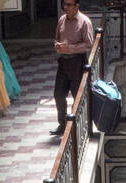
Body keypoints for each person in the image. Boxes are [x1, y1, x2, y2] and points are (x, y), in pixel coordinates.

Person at [51, 0, 94, 136]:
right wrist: (57, 45)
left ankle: (81, 126)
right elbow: (56, 38)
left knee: (78, 96)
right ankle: (62, 124)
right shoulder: (62, 20)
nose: (66, 7)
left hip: (77, 63)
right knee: (58, 94)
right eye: (64, 4)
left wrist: (71, 48)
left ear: (77, 6)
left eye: (69, 5)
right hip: (63, 62)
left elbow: (88, 44)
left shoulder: (84, 22)